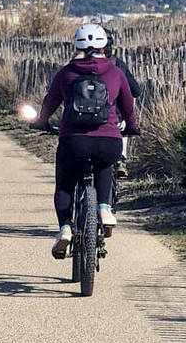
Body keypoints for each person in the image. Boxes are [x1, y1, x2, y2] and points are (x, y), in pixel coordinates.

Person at [34, 23, 141, 258]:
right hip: (108, 140)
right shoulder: (116, 72)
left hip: (74, 141)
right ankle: (104, 208)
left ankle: (65, 227)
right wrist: (132, 128)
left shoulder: (66, 73)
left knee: (65, 183)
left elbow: (49, 103)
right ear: (105, 45)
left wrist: (41, 122)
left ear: (76, 46)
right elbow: (128, 107)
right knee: (105, 164)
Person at [103, 28, 141, 178]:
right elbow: (136, 91)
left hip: (82, 120)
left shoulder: (77, 66)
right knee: (123, 124)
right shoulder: (118, 65)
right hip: (115, 119)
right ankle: (121, 159)